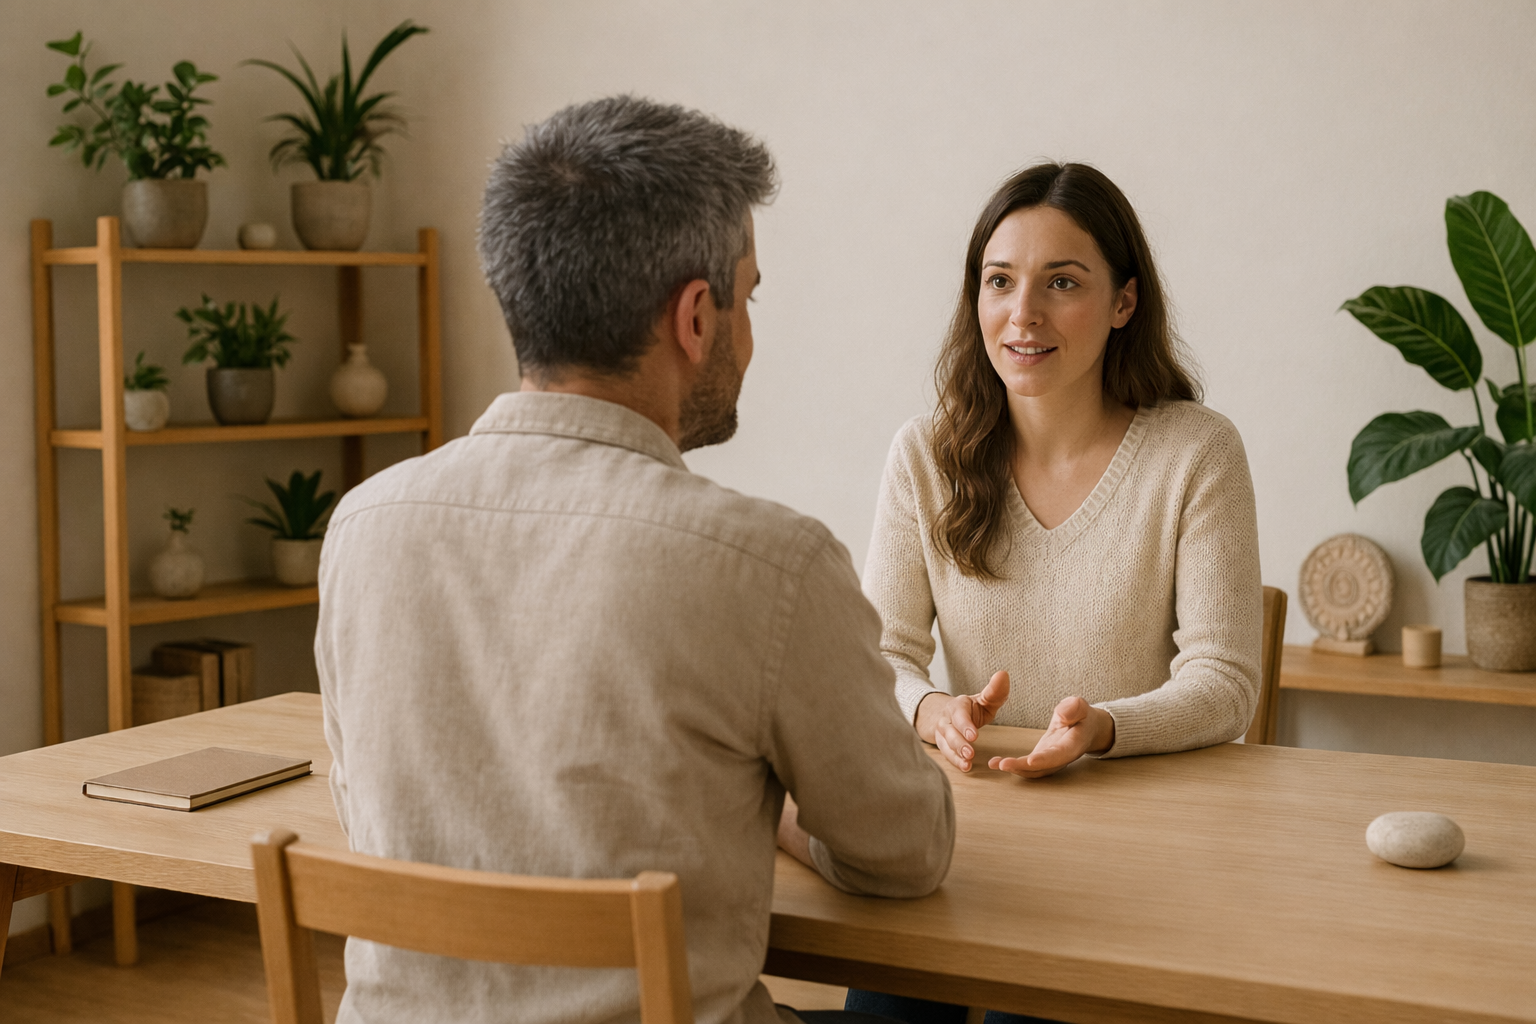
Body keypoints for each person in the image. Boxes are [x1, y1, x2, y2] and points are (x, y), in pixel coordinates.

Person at [316, 96, 954, 1024]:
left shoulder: (362, 528)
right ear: (695, 316)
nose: (749, 331)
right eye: (749, 296)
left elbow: (368, 816)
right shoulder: (772, 565)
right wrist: (774, 806)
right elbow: (902, 854)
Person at [846, 163, 1261, 1024]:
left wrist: (1101, 728)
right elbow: (878, 657)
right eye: (1000, 281)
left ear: (1124, 303)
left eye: (1062, 283)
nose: (1023, 314)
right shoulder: (924, 454)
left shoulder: (1197, 452)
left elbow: (1225, 685)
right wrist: (931, 711)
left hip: (1131, 849)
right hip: (967, 836)